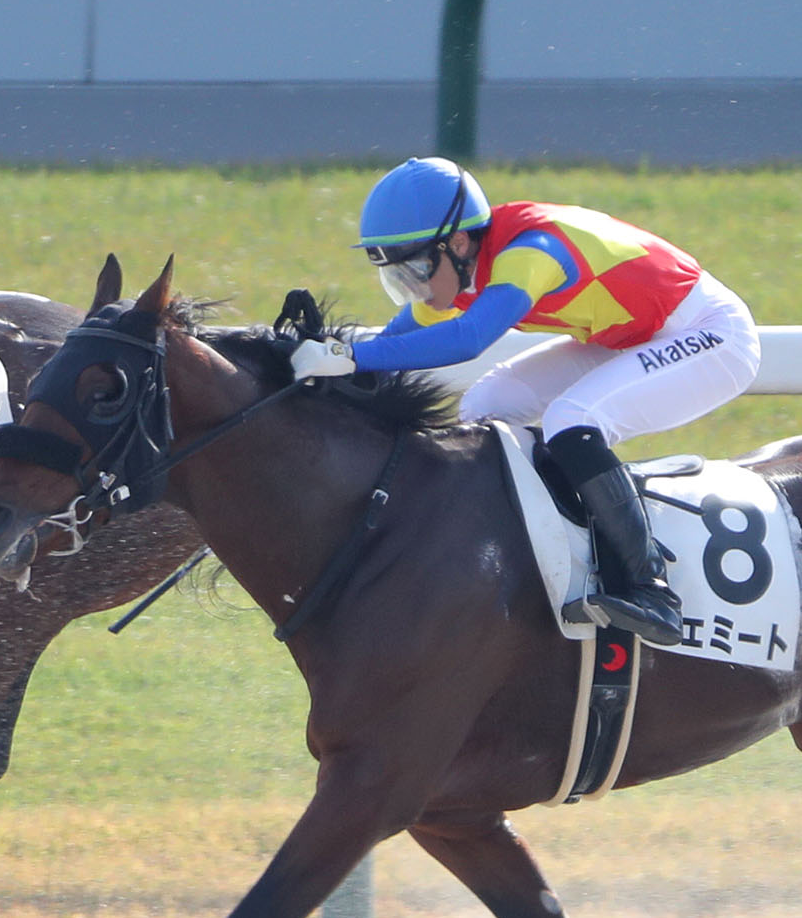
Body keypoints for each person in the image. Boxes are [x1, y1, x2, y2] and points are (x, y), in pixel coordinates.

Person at [289, 157, 759, 647]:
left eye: (417, 269)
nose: (415, 289)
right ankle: (538, 549)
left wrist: (349, 357)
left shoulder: (532, 253)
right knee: (483, 406)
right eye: (400, 276)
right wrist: (314, 362)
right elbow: (389, 347)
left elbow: (469, 339)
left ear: (458, 243)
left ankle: (651, 588)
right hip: (630, 334)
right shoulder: (460, 272)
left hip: (711, 333)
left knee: (571, 419)